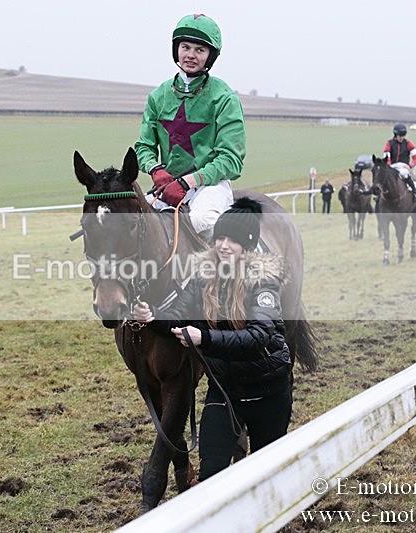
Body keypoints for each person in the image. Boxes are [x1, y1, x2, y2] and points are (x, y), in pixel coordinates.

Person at [132, 198, 292, 481]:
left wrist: (203, 338)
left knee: (268, 477)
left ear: (248, 245)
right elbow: (181, 313)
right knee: (210, 477)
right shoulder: (203, 276)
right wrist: (153, 317)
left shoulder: (264, 281)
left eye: (233, 240)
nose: (224, 245)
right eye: (219, 237)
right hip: (225, 391)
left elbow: (258, 337)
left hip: (269, 392)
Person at [135, 13, 246, 239]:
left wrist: (188, 181)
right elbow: (143, 147)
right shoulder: (158, 96)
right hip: (167, 186)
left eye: (200, 50)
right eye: (185, 47)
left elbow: (231, 160)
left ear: (210, 56)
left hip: (209, 187)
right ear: (176, 49)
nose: (191, 55)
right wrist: (155, 170)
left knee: (201, 221)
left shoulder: (224, 98)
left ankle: (213, 274)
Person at [382, 123, 416, 202]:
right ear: (395, 135)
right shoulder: (389, 143)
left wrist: (410, 166)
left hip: (403, 166)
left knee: (404, 173)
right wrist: (389, 166)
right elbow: (386, 157)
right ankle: (379, 197)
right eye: (400, 136)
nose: (401, 138)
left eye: (403, 136)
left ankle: (415, 192)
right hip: (392, 166)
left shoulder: (408, 144)